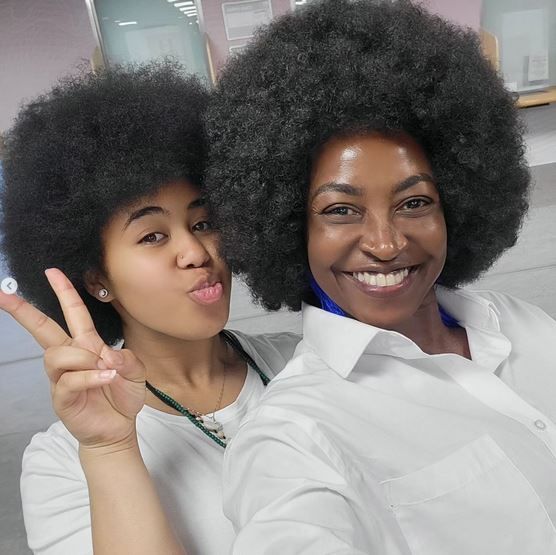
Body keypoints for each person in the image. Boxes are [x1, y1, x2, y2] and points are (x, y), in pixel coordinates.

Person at [205, 0, 556, 553]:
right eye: (340, 210)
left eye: (414, 202)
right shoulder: (295, 434)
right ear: (290, 227)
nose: (386, 244)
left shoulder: (519, 322)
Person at [0, 62, 299, 555]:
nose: (196, 252)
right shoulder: (64, 464)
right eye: (153, 236)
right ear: (97, 280)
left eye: (203, 223)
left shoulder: (304, 363)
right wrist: (110, 449)